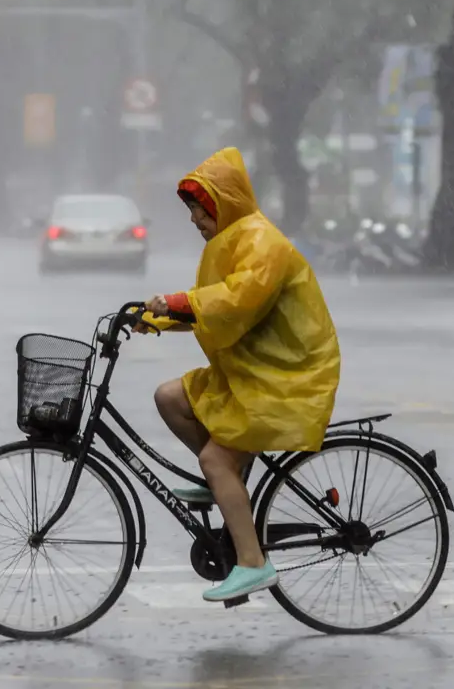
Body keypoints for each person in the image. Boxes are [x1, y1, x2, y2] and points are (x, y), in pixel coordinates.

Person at [137, 146, 341, 603]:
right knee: (170, 397)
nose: (193, 220)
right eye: (191, 211)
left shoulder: (262, 242)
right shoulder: (231, 240)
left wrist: (176, 304)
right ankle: (228, 482)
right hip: (254, 373)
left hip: (286, 379)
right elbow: (211, 301)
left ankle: (253, 562)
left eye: (198, 209)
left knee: (214, 459)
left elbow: (236, 299)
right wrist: (152, 319)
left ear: (222, 203)